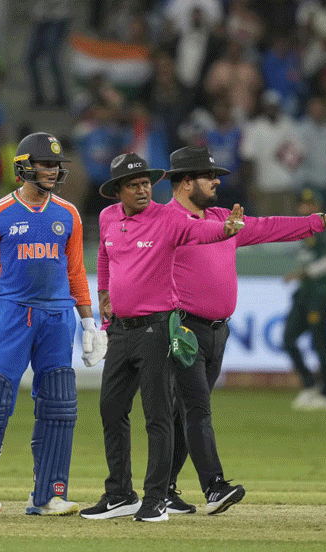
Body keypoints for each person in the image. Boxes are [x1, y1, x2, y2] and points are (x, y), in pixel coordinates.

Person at [164, 146, 326, 515]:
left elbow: (268, 228)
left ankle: (164, 488)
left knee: (185, 412)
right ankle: (214, 487)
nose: (217, 181)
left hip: (219, 331)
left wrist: (318, 221)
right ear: (186, 183)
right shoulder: (168, 221)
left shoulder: (224, 219)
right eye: (209, 176)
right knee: (196, 409)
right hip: (184, 329)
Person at [81, 152, 245, 522]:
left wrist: (227, 229)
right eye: (134, 185)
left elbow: (200, 231)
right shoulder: (108, 218)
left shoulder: (168, 217)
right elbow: (105, 258)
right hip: (121, 329)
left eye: (146, 184)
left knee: (157, 415)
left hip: (157, 328)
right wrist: (103, 293)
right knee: (111, 409)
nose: (142, 190)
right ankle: (120, 494)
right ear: (117, 191)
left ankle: (156, 498)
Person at [0, 132, 104, 516]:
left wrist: (89, 323)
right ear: (24, 167)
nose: (54, 171)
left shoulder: (68, 214)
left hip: (58, 316)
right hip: (12, 313)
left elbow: (75, 271)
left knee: (61, 405)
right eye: (46, 164)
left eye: (57, 164)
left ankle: (48, 495)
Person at [286, 190, 326, 411]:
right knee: (288, 339)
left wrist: (303, 273)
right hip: (304, 295)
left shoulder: (323, 230)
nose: (303, 209)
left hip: (318, 295)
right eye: (302, 205)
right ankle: (309, 385)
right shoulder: (304, 232)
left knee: (320, 343)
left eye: (308, 204)